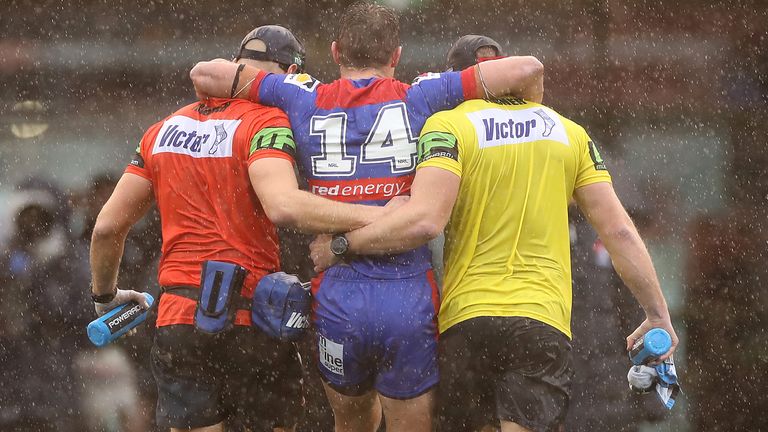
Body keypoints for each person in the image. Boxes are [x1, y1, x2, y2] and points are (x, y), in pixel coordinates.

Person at [189, 3, 544, 432]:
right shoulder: (424, 94)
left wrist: (268, 81)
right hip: (407, 291)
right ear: (395, 56)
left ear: (336, 52)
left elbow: (203, 74)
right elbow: (527, 69)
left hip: (338, 291)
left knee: (351, 425)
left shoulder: (300, 94)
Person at [309, 34, 679, 432]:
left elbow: (422, 220)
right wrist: (657, 314)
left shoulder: (446, 125)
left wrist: (343, 245)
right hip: (540, 322)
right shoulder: (568, 132)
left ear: (460, 80)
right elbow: (620, 231)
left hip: (467, 321)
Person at [89, 25, 387, 432]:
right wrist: (379, 217)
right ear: (287, 71)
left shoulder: (161, 130)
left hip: (179, 318)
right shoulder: (267, 121)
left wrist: (105, 296)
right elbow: (283, 206)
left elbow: (107, 227)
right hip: (252, 318)